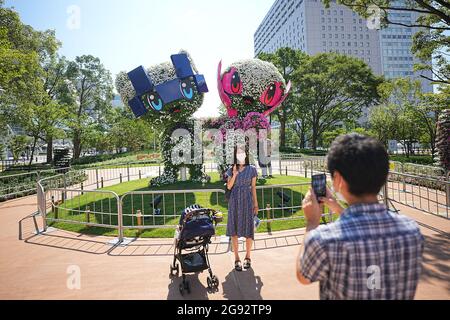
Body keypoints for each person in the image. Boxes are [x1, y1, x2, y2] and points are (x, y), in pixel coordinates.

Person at [296, 134, 424, 300]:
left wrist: (312, 222)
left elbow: (304, 275)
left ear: (337, 179)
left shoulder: (324, 239)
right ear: (384, 175)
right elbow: (363, 226)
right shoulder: (411, 230)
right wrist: (335, 206)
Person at [226, 145, 258, 271]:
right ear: (235, 155)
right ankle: (237, 258)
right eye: (238, 153)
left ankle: (248, 257)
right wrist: (234, 174)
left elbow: (254, 188)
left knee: (249, 229)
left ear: (246, 154)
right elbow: (229, 186)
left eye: (242, 153)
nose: (240, 155)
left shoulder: (252, 169)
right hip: (234, 200)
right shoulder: (231, 169)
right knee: (234, 230)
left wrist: (256, 204)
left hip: (247, 200)